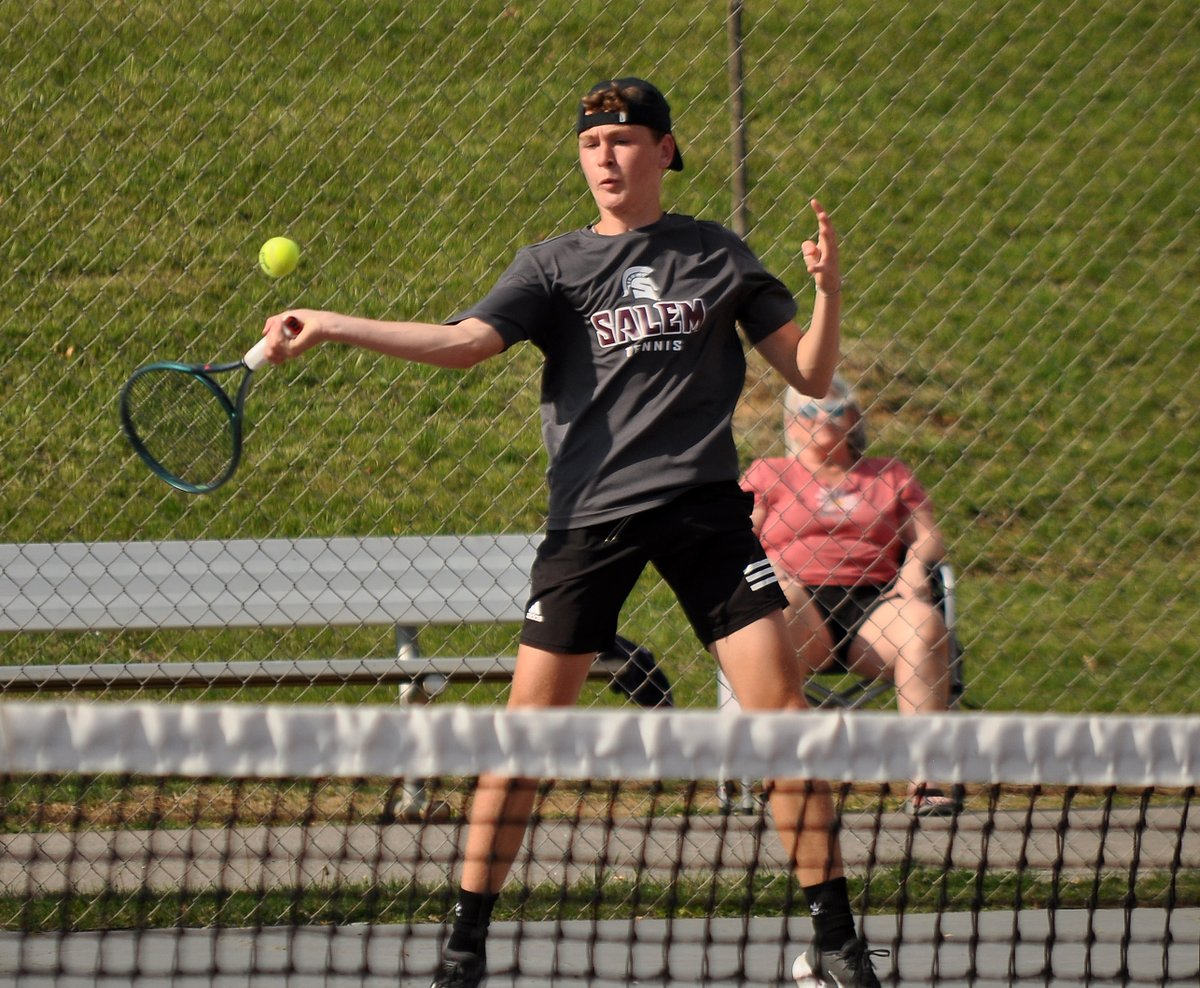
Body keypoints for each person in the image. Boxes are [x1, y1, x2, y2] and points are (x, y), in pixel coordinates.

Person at [262, 77, 883, 988]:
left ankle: (837, 945)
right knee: (526, 737)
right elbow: (466, 341)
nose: (608, 158)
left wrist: (828, 292)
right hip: (589, 521)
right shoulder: (551, 265)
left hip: (707, 513)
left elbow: (810, 371)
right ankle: (463, 953)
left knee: (782, 723)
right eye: (594, 144)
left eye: (627, 141)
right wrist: (333, 325)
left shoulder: (716, 253)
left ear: (666, 151)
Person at [741, 375, 959, 816]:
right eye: (808, 409)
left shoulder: (889, 473)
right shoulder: (769, 472)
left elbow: (928, 537)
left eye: (834, 408)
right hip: (799, 599)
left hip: (875, 602)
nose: (822, 417)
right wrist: (770, 566)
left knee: (924, 625)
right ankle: (784, 780)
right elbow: (740, 535)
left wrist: (916, 566)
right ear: (790, 422)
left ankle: (925, 783)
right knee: (775, 608)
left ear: (854, 418)